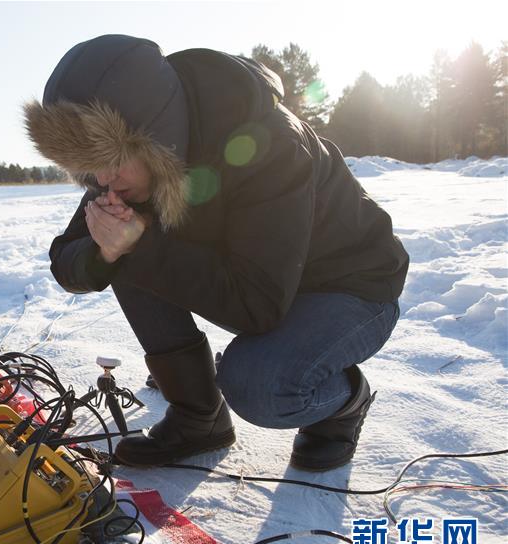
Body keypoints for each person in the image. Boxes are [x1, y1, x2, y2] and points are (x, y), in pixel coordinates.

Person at [24, 34, 409, 471]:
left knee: (259, 385)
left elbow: (255, 306)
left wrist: (138, 245)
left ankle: (346, 400)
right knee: (123, 247)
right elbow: (66, 258)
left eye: (111, 159)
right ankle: (199, 417)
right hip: (263, 280)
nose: (102, 179)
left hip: (351, 286)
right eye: (88, 164)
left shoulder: (268, 144)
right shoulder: (127, 169)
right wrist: (106, 252)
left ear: (155, 134)